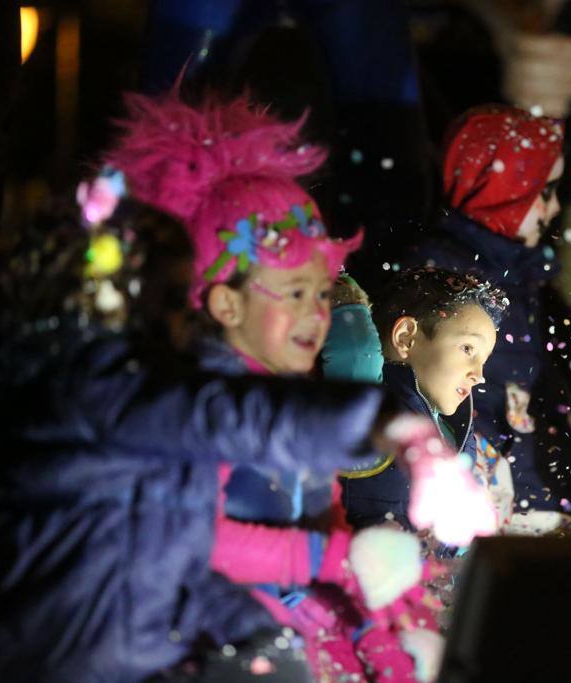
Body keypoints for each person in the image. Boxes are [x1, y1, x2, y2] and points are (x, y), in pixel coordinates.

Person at [0, 194, 403, 681]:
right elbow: (236, 419)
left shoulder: (150, 412)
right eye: (173, 300)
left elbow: (175, 565)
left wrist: (261, 637)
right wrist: (384, 425)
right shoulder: (94, 392)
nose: (186, 317)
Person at [105, 90, 491, 681]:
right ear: (226, 301)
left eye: (320, 292)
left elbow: (320, 508)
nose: (317, 315)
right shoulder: (183, 403)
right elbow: (195, 540)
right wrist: (340, 563)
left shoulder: (291, 396)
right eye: (293, 293)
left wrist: (371, 622)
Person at [408, 104, 571, 533]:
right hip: (482, 505)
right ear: (505, 188)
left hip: (521, 489)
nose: (554, 208)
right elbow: (456, 404)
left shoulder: (515, 273)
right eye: (545, 190)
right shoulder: (447, 278)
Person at [342, 267, 513, 535]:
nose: (479, 376)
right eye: (468, 349)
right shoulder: (369, 415)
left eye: (484, 361)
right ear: (406, 337)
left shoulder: (455, 434)